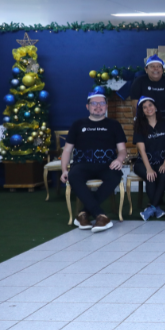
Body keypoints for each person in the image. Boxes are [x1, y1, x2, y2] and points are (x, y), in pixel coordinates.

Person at [60, 91, 127, 233]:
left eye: (102, 103)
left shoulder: (114, 124)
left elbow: (122, 149)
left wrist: (119, 159)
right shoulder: (78, 124)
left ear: (106, 106)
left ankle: (84, 214)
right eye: (94, 103)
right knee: (73, 176)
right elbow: (67, 150)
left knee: (115, 175)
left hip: (107, 164)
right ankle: (100, 215)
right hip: (82, 164)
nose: (98, 106)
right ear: (87, 106)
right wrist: (64, 170)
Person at [133, 96, 165, 221]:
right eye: (144, 107)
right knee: (150, 176)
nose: (148, 108)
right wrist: (149, 168)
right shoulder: (139, 126)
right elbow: (142, 150)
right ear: (142, 111)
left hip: (163, 160)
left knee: (163, 174)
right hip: (143, 162)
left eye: (150, 105)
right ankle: (156, 208)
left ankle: (151, 208)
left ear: (155, 107)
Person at [130, 54, 165, 120]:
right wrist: (137, 123)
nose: (156, 68)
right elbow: (135, 107)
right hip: (145, 121)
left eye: (159, 66)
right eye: (152, 66)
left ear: (162, 70)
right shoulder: (139, 82)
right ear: (146, 69)